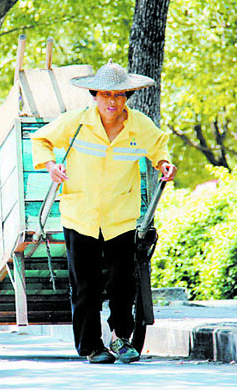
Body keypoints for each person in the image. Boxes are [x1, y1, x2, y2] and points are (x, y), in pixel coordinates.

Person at [31, 60, 177, 364]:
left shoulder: (139, 125)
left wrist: (164, 164)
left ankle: (122, 338)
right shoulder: (77, 122)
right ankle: (91, 346)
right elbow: (41, 139)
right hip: (80, 215)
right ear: (95, 95)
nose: (114, 102)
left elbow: (159, 148)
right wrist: (50, 166)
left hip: (120, 217)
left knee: (124, 285)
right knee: (86, 287)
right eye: (107, 95)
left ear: (127, 97)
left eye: (120, 95)